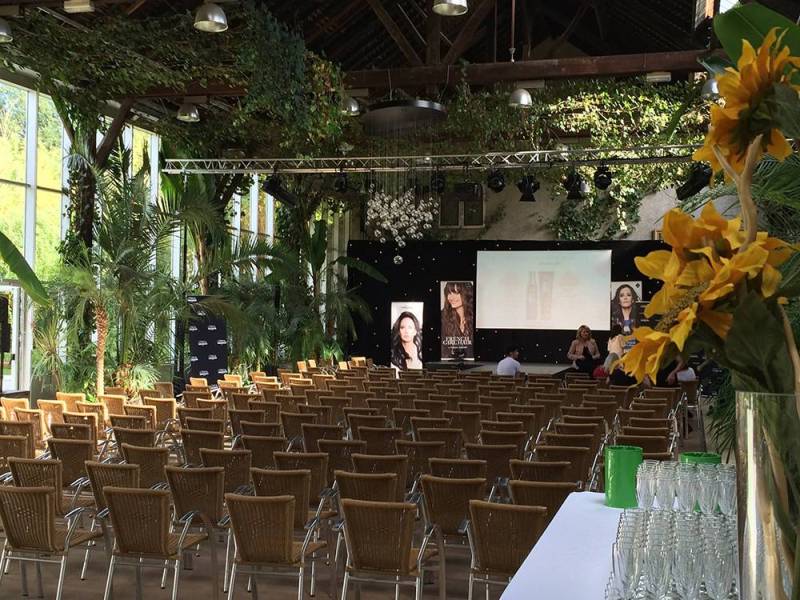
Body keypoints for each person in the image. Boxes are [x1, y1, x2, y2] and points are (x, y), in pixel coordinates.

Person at [441, 282, 474, 359]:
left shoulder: (474, 316)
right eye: (449, 293)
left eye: (456, 293)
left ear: (466, 294)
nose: (451, 297)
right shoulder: (443, 316)